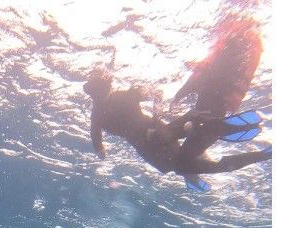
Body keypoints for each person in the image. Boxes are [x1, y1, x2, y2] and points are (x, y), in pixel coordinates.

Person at [84, 71, 270, 191]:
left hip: (151, 139)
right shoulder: (116, 100)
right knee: (182, 157)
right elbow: (153, 94)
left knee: (181, 162)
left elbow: (97, 142)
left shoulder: (101, 112)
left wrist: (101, 150)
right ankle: (205, 126)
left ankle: (213, 130)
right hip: (157, 133)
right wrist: (158, 113)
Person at [171, 16, 264, 161]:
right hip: (211, 112)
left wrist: (180, 95)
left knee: (183, 156)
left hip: (209, 112)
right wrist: (181, 94)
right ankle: (223, 129)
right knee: (183, 155)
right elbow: (201, 75)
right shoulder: (242, 52)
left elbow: (199, 75)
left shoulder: (225, 56)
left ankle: (224, 129)